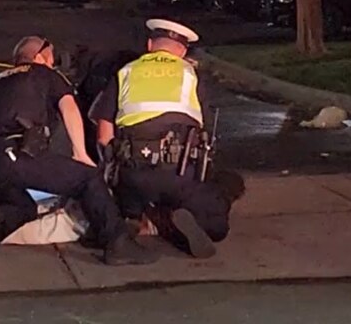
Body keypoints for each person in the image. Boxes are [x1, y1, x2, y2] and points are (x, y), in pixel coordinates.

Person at [0, 36, 157, 265]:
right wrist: (80, 152)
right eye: (51, 56)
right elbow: (69, 107)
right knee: (87, 178)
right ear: (38, 57)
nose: (54, 61)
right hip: (13, 155)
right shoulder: (45, 73)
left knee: (23, 208)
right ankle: (117, 243)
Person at [90, 19, 244, 259]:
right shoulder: (190, 75)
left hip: (132, 176)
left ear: (150, 45)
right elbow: (203, 127)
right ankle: (172, 221)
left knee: (128, 201)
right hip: (180, 176)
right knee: (219, 217)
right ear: (182, 51)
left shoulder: (126, 72)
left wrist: (115, 173)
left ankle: (135, 216)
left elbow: (103, 134)